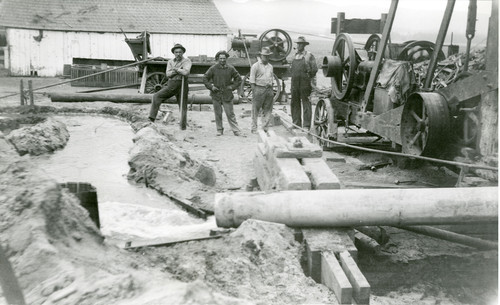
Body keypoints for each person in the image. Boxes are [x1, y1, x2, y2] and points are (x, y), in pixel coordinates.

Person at [148, 43, 191, 130]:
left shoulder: (187, 61)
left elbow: (186, 72)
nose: (178, 54)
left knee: (182, 105)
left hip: (182, 84)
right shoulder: (170, 62)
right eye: (176, 52)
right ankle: (151, 118)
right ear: (173, 53)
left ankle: (183, 126)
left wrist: (175, 70)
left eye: (180, 52)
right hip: (172, 84)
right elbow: (168, 74)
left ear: (183, 52)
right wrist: (179, 70)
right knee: (156, 96)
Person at [203, 50, 243, 136]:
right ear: (217, 59)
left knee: (230, 113)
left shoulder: (231, 68)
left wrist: (232, 87)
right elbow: (205, 78)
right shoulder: (213, 68)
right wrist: (211, 87)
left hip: (227, 94)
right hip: (216, 94)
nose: (222, 60)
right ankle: (219, 130)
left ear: (226, 59)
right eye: (220, 58)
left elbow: (238, 79)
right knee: (218, 113)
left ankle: (236, 130)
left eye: (224, 58)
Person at [290, 36, 318, 130]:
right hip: (294, 83)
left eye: (301, 44)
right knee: (294, 103)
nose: (299, 45)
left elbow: (314, 69)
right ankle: (296, 123)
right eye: (298, 44)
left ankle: (306, 125)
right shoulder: (295, 56)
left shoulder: (309, 55)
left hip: (305, 83)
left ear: (304, 45)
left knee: (306, 103)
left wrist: (308, 78)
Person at [249, 47, 274, 133]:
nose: (266, 57)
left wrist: (271, 88)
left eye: (268, 56)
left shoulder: (271, 66)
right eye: (264, 56)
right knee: (255, 109)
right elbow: (252, 79)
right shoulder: (255, 66)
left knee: (268, 109)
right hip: (259, 88)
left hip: (269, 89)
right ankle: (254, 128)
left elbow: (272, 78)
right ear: (261, 56)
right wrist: (254, 91)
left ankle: (265, 127)